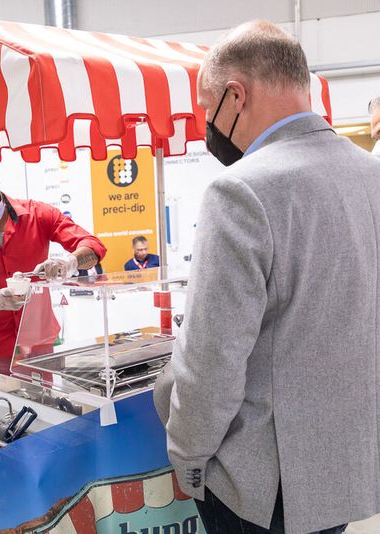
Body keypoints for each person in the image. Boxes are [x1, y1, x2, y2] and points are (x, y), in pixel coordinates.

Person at [153, 20, 380, 534]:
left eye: (207, 112)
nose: (207, 130)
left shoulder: (241, 191)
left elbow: (211, 361)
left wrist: (189, 460)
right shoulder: (371, 176)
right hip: (339, 470)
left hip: (262, 484)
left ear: (236, 96)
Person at [0, 164, 106, 401]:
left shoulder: (38, 215)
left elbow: (93, 245)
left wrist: (69, 263)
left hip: (40, 338)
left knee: (47, 409)